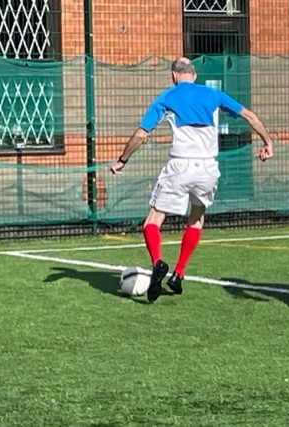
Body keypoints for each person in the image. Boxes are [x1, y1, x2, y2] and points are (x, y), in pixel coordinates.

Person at [110, 57, 273, 303]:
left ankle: (157, 263)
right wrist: (267, 142)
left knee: (152, 221)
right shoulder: (213, 94)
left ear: (174, 75)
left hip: (181, 165)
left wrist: (123, 159)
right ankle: (179, 273)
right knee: (196, 218)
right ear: (194, 75)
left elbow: (141, 135)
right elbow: (249, 116)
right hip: (208, 167)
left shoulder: (167, 97)